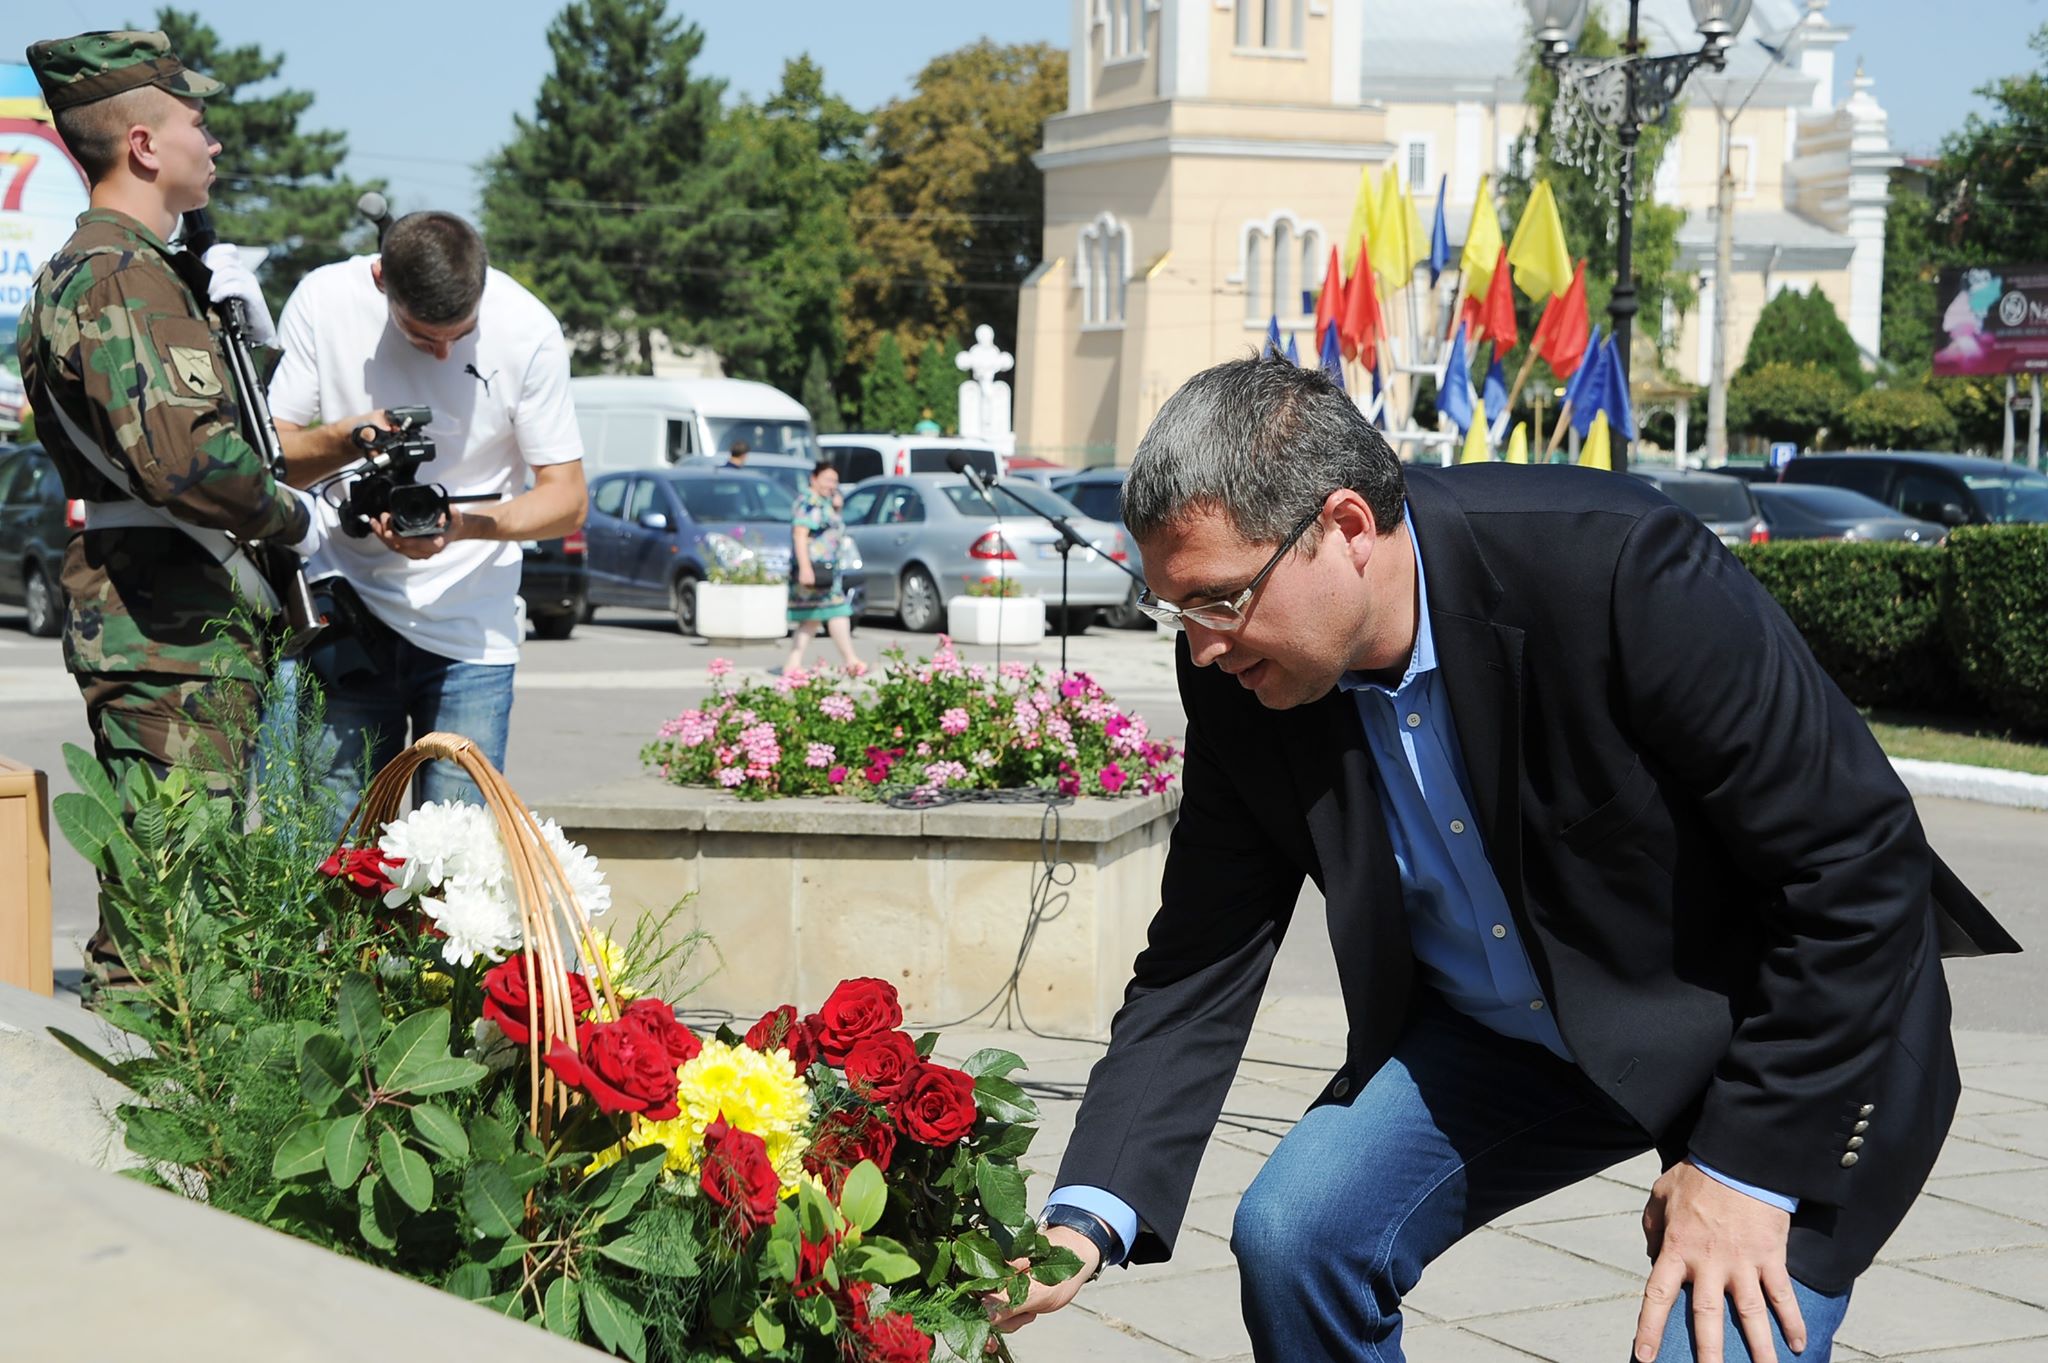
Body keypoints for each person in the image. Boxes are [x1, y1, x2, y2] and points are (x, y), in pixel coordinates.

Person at [993, 357, 2018, 1362]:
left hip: (1776, 1029)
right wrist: (1085, 1214)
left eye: (1217, 598)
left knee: (1711, 1335)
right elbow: (1199, 953)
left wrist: (1744, 1171)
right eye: (1174, 609)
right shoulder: (1237, 676)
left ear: (1345, 529)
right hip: (1506, 1038)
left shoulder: (1614, 566)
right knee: (1295, 1234)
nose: (1200, 643)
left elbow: (1856, 865)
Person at [17, 30, 325, 992]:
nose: (215, 141)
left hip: (178, 628)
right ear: (144, 144)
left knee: (185, 901)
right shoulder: (121, 275)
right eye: (198, 120)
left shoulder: (144, 269)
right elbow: (189, 460)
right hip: (167, 634)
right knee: (169, 938)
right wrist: (294, 518)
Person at [266, 211, 585, 817]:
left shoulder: (528, 328)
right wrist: (349, 439)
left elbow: (567, 498)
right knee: (335, 855)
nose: (442, 354)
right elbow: (273, 460)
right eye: (420, 337)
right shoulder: (325, 298)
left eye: (460, 337)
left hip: (471, 629)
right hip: (349, 610)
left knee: (455, 868)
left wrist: (465, 526)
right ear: (381, 278)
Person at [783, 459, 863, 676]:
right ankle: (851, 661)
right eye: (827, 480)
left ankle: (794, 663)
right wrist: (805, 568)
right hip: (815, 570)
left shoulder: (823, 502)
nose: (832, 485)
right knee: (836, 612)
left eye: (835, 481)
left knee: (813, 617)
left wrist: (837, 507)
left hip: (826, 569)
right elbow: (800, 535)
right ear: (814, 478)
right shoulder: (809, 502)